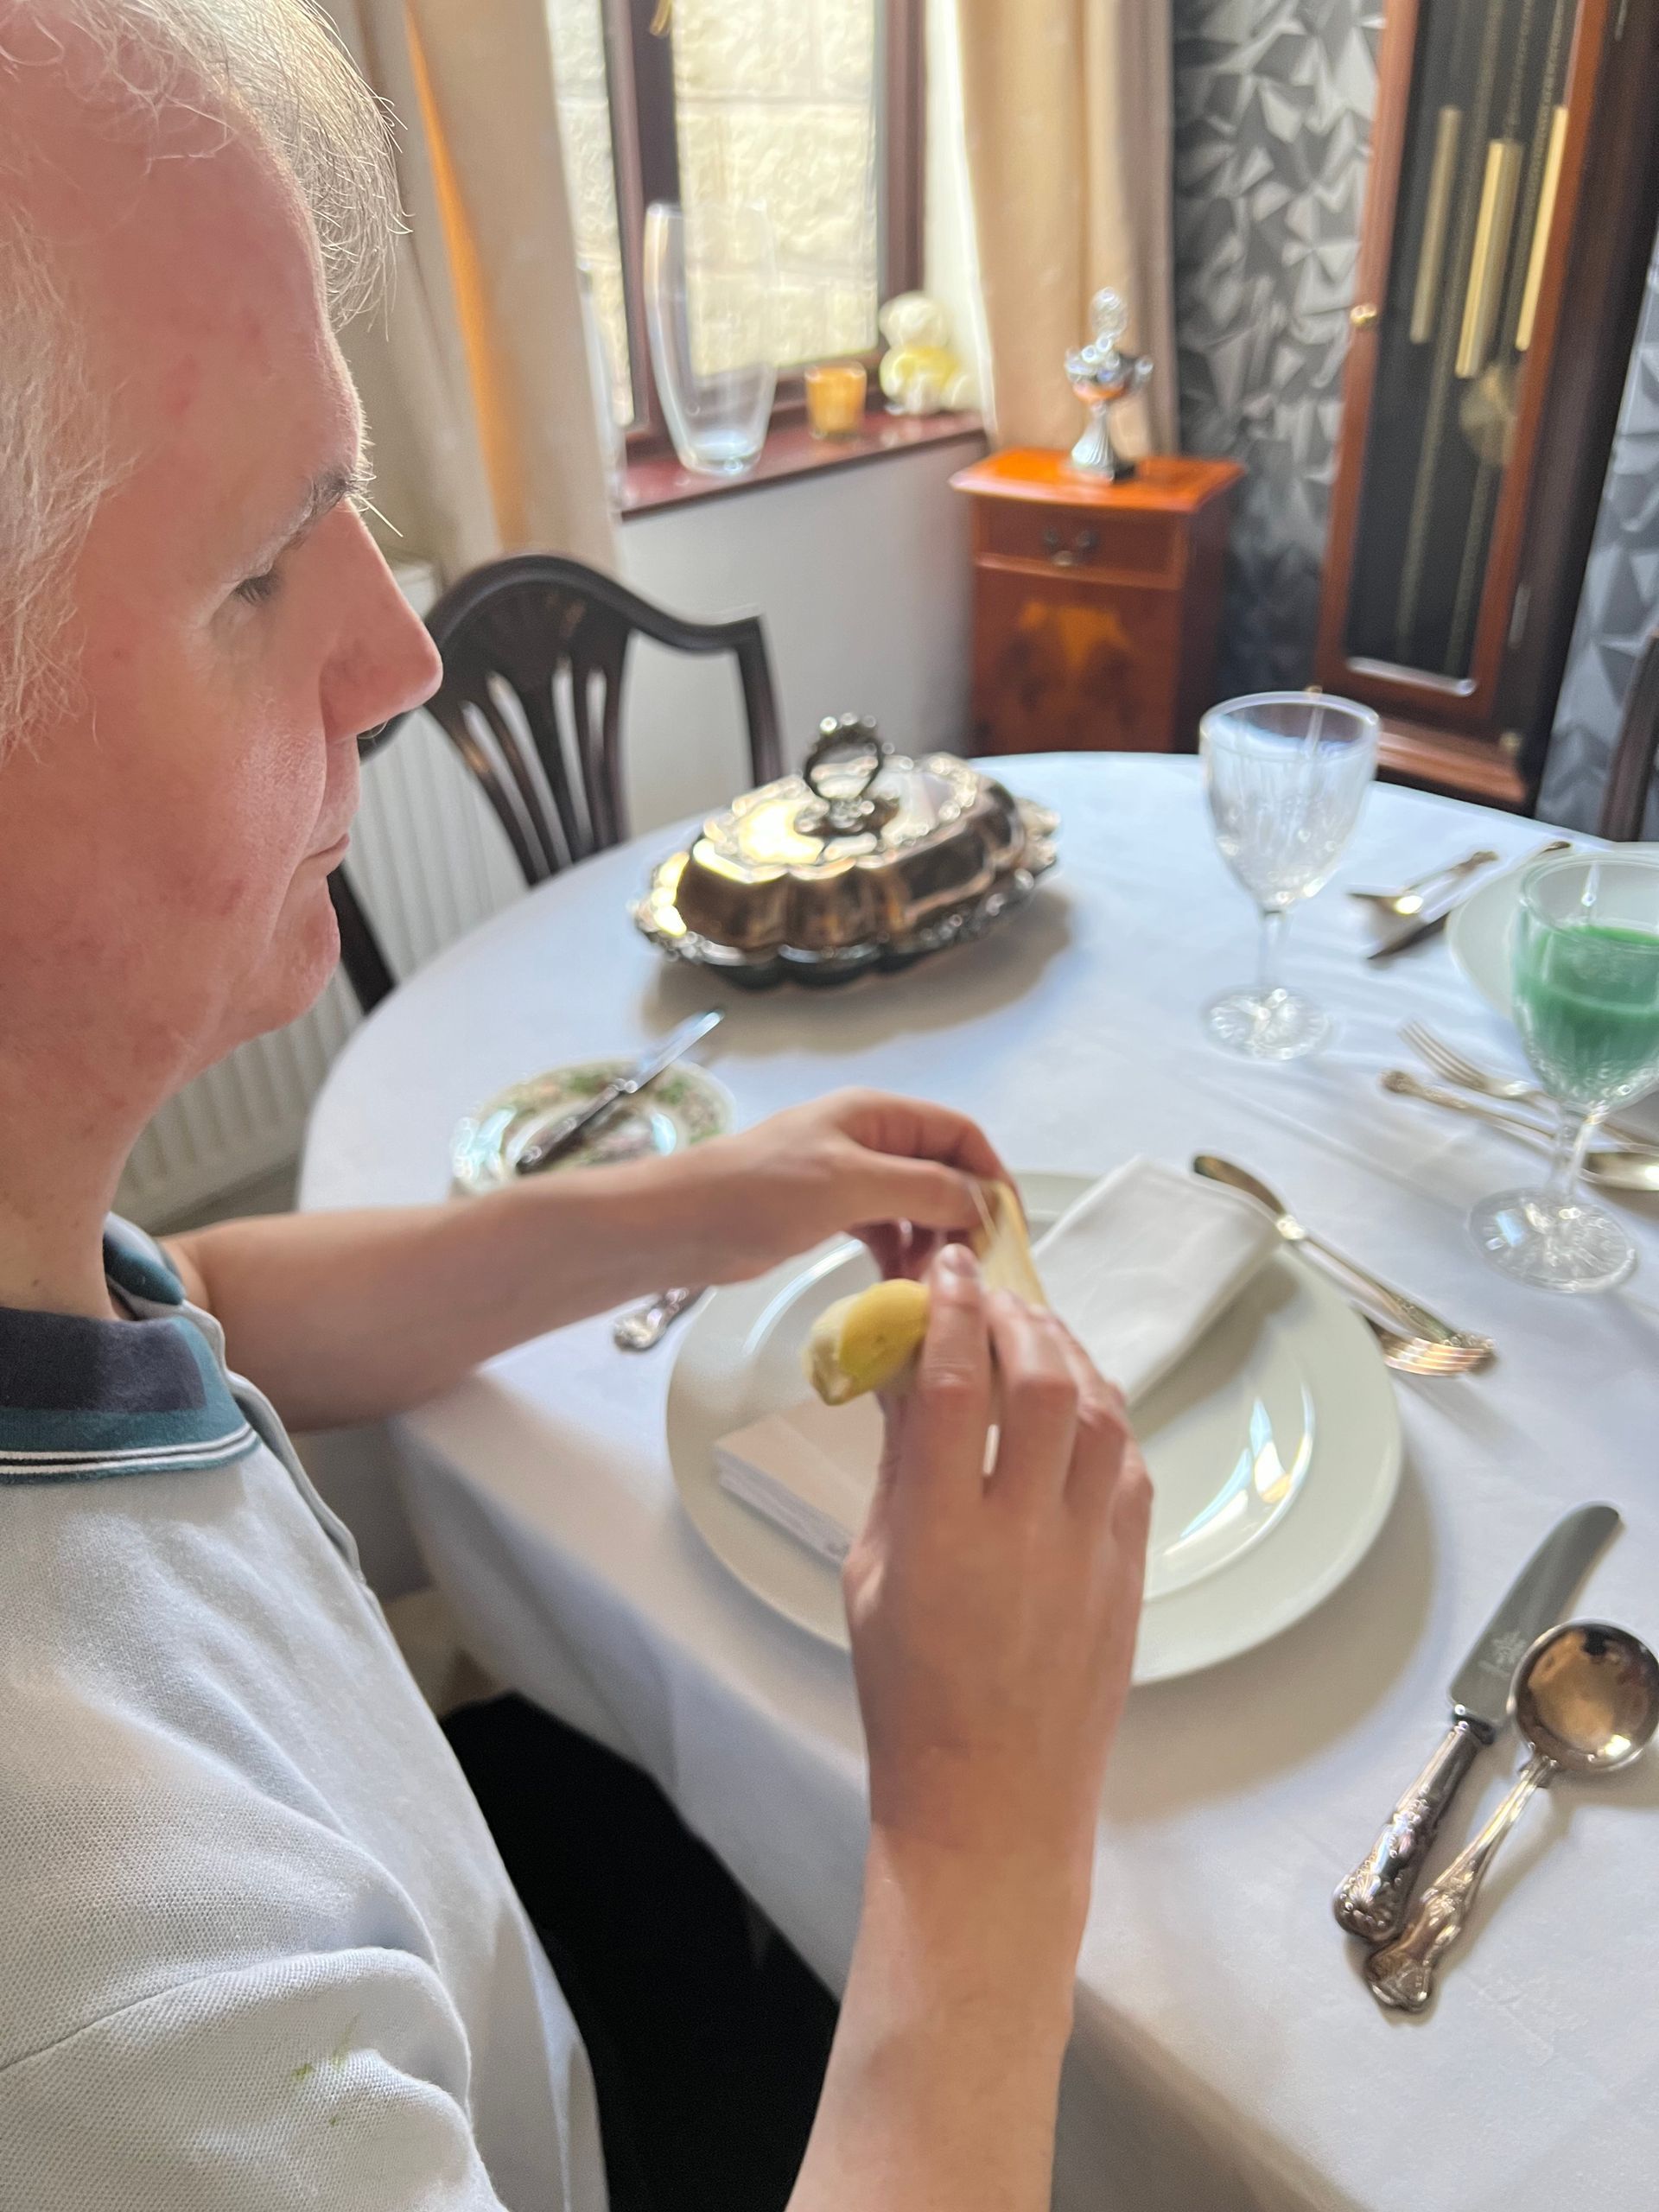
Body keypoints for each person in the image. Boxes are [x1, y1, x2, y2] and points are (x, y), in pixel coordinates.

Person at [0, 6, 1151, 2209]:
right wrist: (979, 1842)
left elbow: (195, 1310)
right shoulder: (104, 2032)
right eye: (256, 571)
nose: (404, 652)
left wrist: (696, 1203)